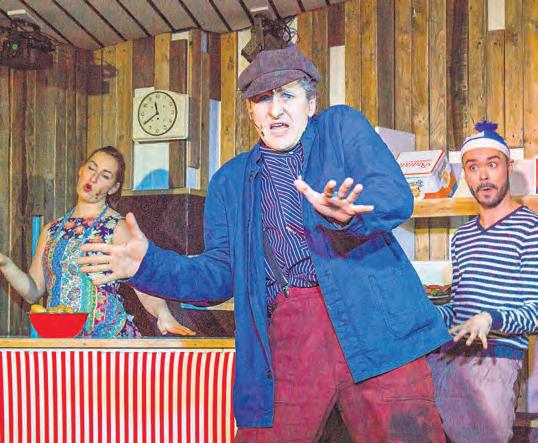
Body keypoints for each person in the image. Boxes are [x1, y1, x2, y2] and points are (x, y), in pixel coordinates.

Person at [79, 46, 450, 441]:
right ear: (250, 111)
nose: (275, 110)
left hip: (375, 317)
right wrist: (148, 266)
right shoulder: (230, 181)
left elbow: (395, 196)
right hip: (292, 332)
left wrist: (351, 216)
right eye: (262, 99)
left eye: (288, 95)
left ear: (311, 104)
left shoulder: (341, 128)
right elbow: (218, 275)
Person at [0, 146, 195, 338]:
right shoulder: (51, 230)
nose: (93, 178)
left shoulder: (117, 227)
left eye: (105, 176)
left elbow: (142, 280)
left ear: (114, 188)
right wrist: (5, 264)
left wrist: (163, 315)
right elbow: (33, 292)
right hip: (62, 342)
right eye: (91, 168)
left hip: (106, 340)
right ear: (81, 170)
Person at [427, 121, 538, 443]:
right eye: (473, 167)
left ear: (509, 167)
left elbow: (535, 311)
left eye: (492, 164)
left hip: (494, 360)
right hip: (445, 357)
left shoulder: (531, 229)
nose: (484, 176)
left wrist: (490, 319)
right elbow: (460, 307)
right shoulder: (462, 237)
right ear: (465, 174)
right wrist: (427, 314)